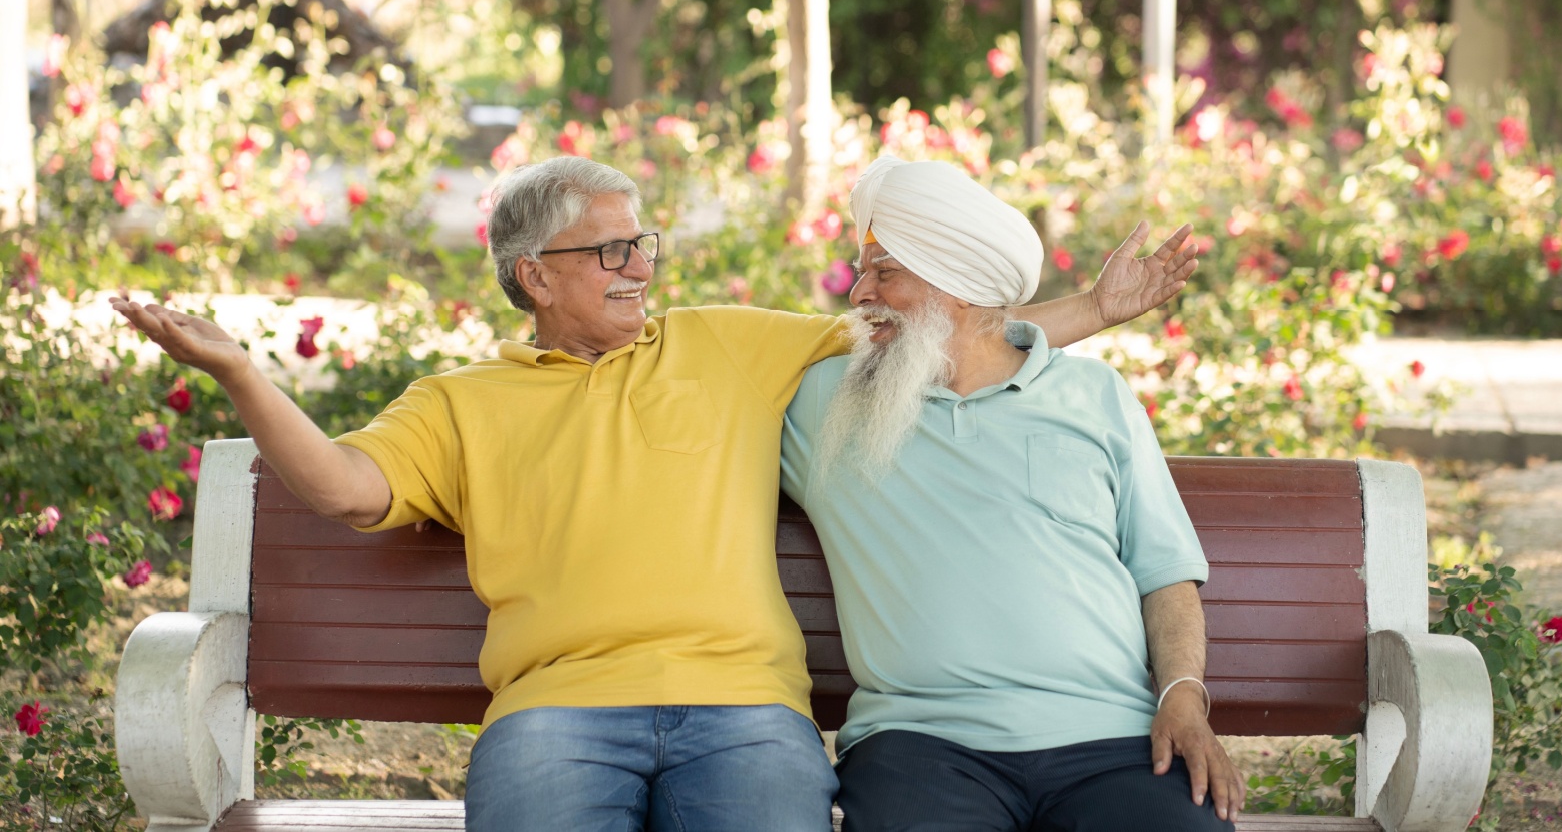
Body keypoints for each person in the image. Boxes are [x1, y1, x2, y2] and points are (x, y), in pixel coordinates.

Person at [111, 155, 1198, 832]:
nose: (641, 265)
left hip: (747, 712)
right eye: (611, 249)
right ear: (535, 275)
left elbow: (935, 330)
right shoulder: (460, 403)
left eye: (644, 243)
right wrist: (245, 374)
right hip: (554, 715)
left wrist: (1095, 313)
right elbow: (350, 491)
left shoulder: (728, 346)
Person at [780, 155, 1243, 832]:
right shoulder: (828, 403)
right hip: (921, 745)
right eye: (861, 271)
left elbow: (1164, 572)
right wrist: (1089, 307)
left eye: (885, 271)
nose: (858, 293)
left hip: (1111, 741)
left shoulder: (1095, 394)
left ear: (958, 286)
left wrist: (1182, 698)